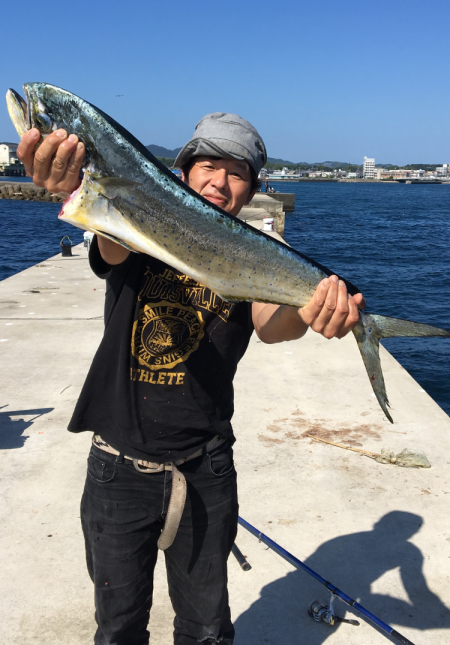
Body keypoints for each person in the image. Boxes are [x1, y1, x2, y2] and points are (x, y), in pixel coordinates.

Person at [17, 112, 365, 645]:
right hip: (117, 467)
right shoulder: (136, 227)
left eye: (237, 172)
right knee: (117, 627)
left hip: (206, 468)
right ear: (182, 173)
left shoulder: (254, 251)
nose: (220, 181)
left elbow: (271, 325)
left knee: (205, 629)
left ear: (252, 188)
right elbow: (109, 247)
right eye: (207, 166)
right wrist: (74, 187)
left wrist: (310, 310)